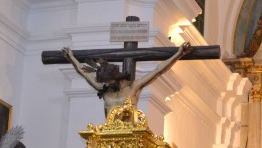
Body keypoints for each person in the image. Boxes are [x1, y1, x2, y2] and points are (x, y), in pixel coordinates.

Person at [63, 42, 191, 117]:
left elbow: (158, 70)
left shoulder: (133, 87)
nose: (107, 84)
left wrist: (179, 53)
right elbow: (84, 73)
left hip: (130, 137)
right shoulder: (104, 88)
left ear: (116, 78)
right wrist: (71, 57)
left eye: (109, 81)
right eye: (105, 82)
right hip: (108, 136)